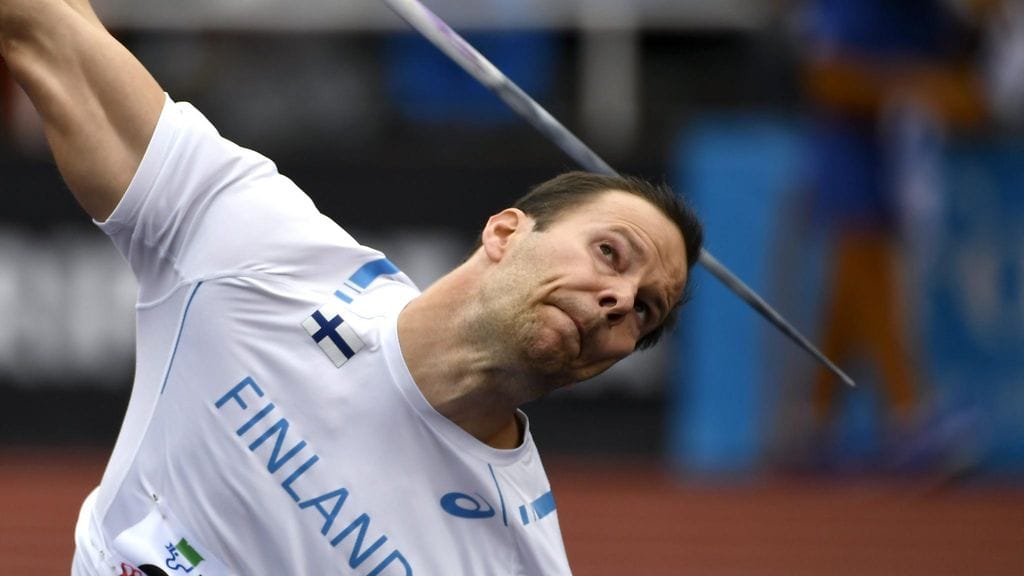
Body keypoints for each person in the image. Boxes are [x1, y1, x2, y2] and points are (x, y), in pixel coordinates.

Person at [0, 1, 703, 574]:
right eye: (611, 253)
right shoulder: (263, 248)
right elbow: (42, 27)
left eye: (645, 312)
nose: (619, 301)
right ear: (505, 232)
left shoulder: (515, 560)